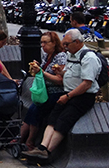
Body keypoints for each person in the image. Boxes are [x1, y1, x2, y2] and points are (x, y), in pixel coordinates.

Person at [25, 29, 101, 161]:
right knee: (52, 119)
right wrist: (60, 72)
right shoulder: (71, 55)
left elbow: (86, 84)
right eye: (64, 44)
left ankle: (48, 151)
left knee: (63, 121)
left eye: (67, 44)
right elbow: (69, 75)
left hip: (81, 96)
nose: (65, 47)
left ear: (77, 42)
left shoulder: (89, 58)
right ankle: (41, 148)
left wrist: (68, 96)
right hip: (67, 93)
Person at [20, 32, 67, 150]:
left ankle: (30, 141)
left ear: (54, 43)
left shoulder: (60, 57)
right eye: (41, 42)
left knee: (37, 110)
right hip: (45, 92)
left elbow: (60, 80)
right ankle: (19, 137)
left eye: (45, 42)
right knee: (31, 110)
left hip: (55, 93)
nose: (42, 45)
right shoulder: (47, 56)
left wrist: (41, 71)